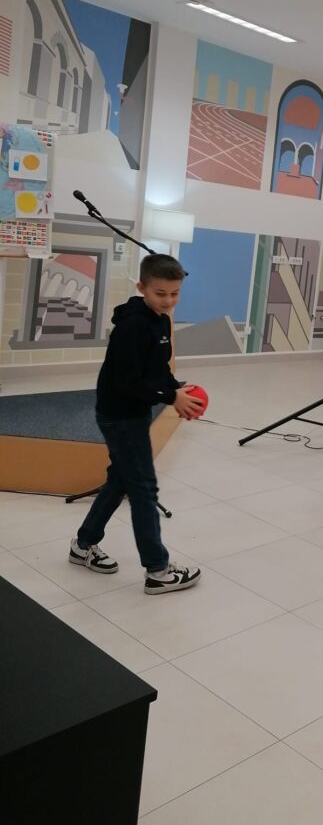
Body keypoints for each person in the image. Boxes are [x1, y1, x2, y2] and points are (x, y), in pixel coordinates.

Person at [68, 254, 204, 594]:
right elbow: (128, 381)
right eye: (161, 293)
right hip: (120, 416)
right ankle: (158, 570)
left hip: (134, 412)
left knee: (120, 480)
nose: (169, 301)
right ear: (141, 287)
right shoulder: (132, 327)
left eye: (175, 293)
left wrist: (175, 387)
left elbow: (158, 368)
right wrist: (171, 398)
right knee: (143, 488)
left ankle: (83, 545)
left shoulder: (160, 319)